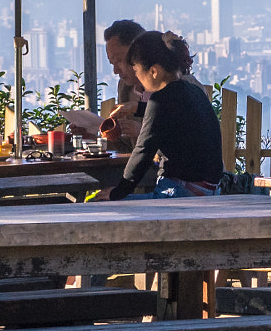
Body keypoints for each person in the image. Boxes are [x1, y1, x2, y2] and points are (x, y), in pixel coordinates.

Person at [109, 31, 224, 198]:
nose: (137, 78)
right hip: (211, 190)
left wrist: (117, 193)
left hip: (180, 191)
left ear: (154, 71)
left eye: (137, 70)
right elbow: (173, 116)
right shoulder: (194, 91)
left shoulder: (160, 99)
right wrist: (138, 108)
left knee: (103, 205)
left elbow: (143, 152)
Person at [95, 19, 147, 147]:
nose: (115, 71)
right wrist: (92, 137)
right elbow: (126, 146)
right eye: (112, 63)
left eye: (119, 61)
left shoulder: (176, 87)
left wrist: (142, 133)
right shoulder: (125, 87)